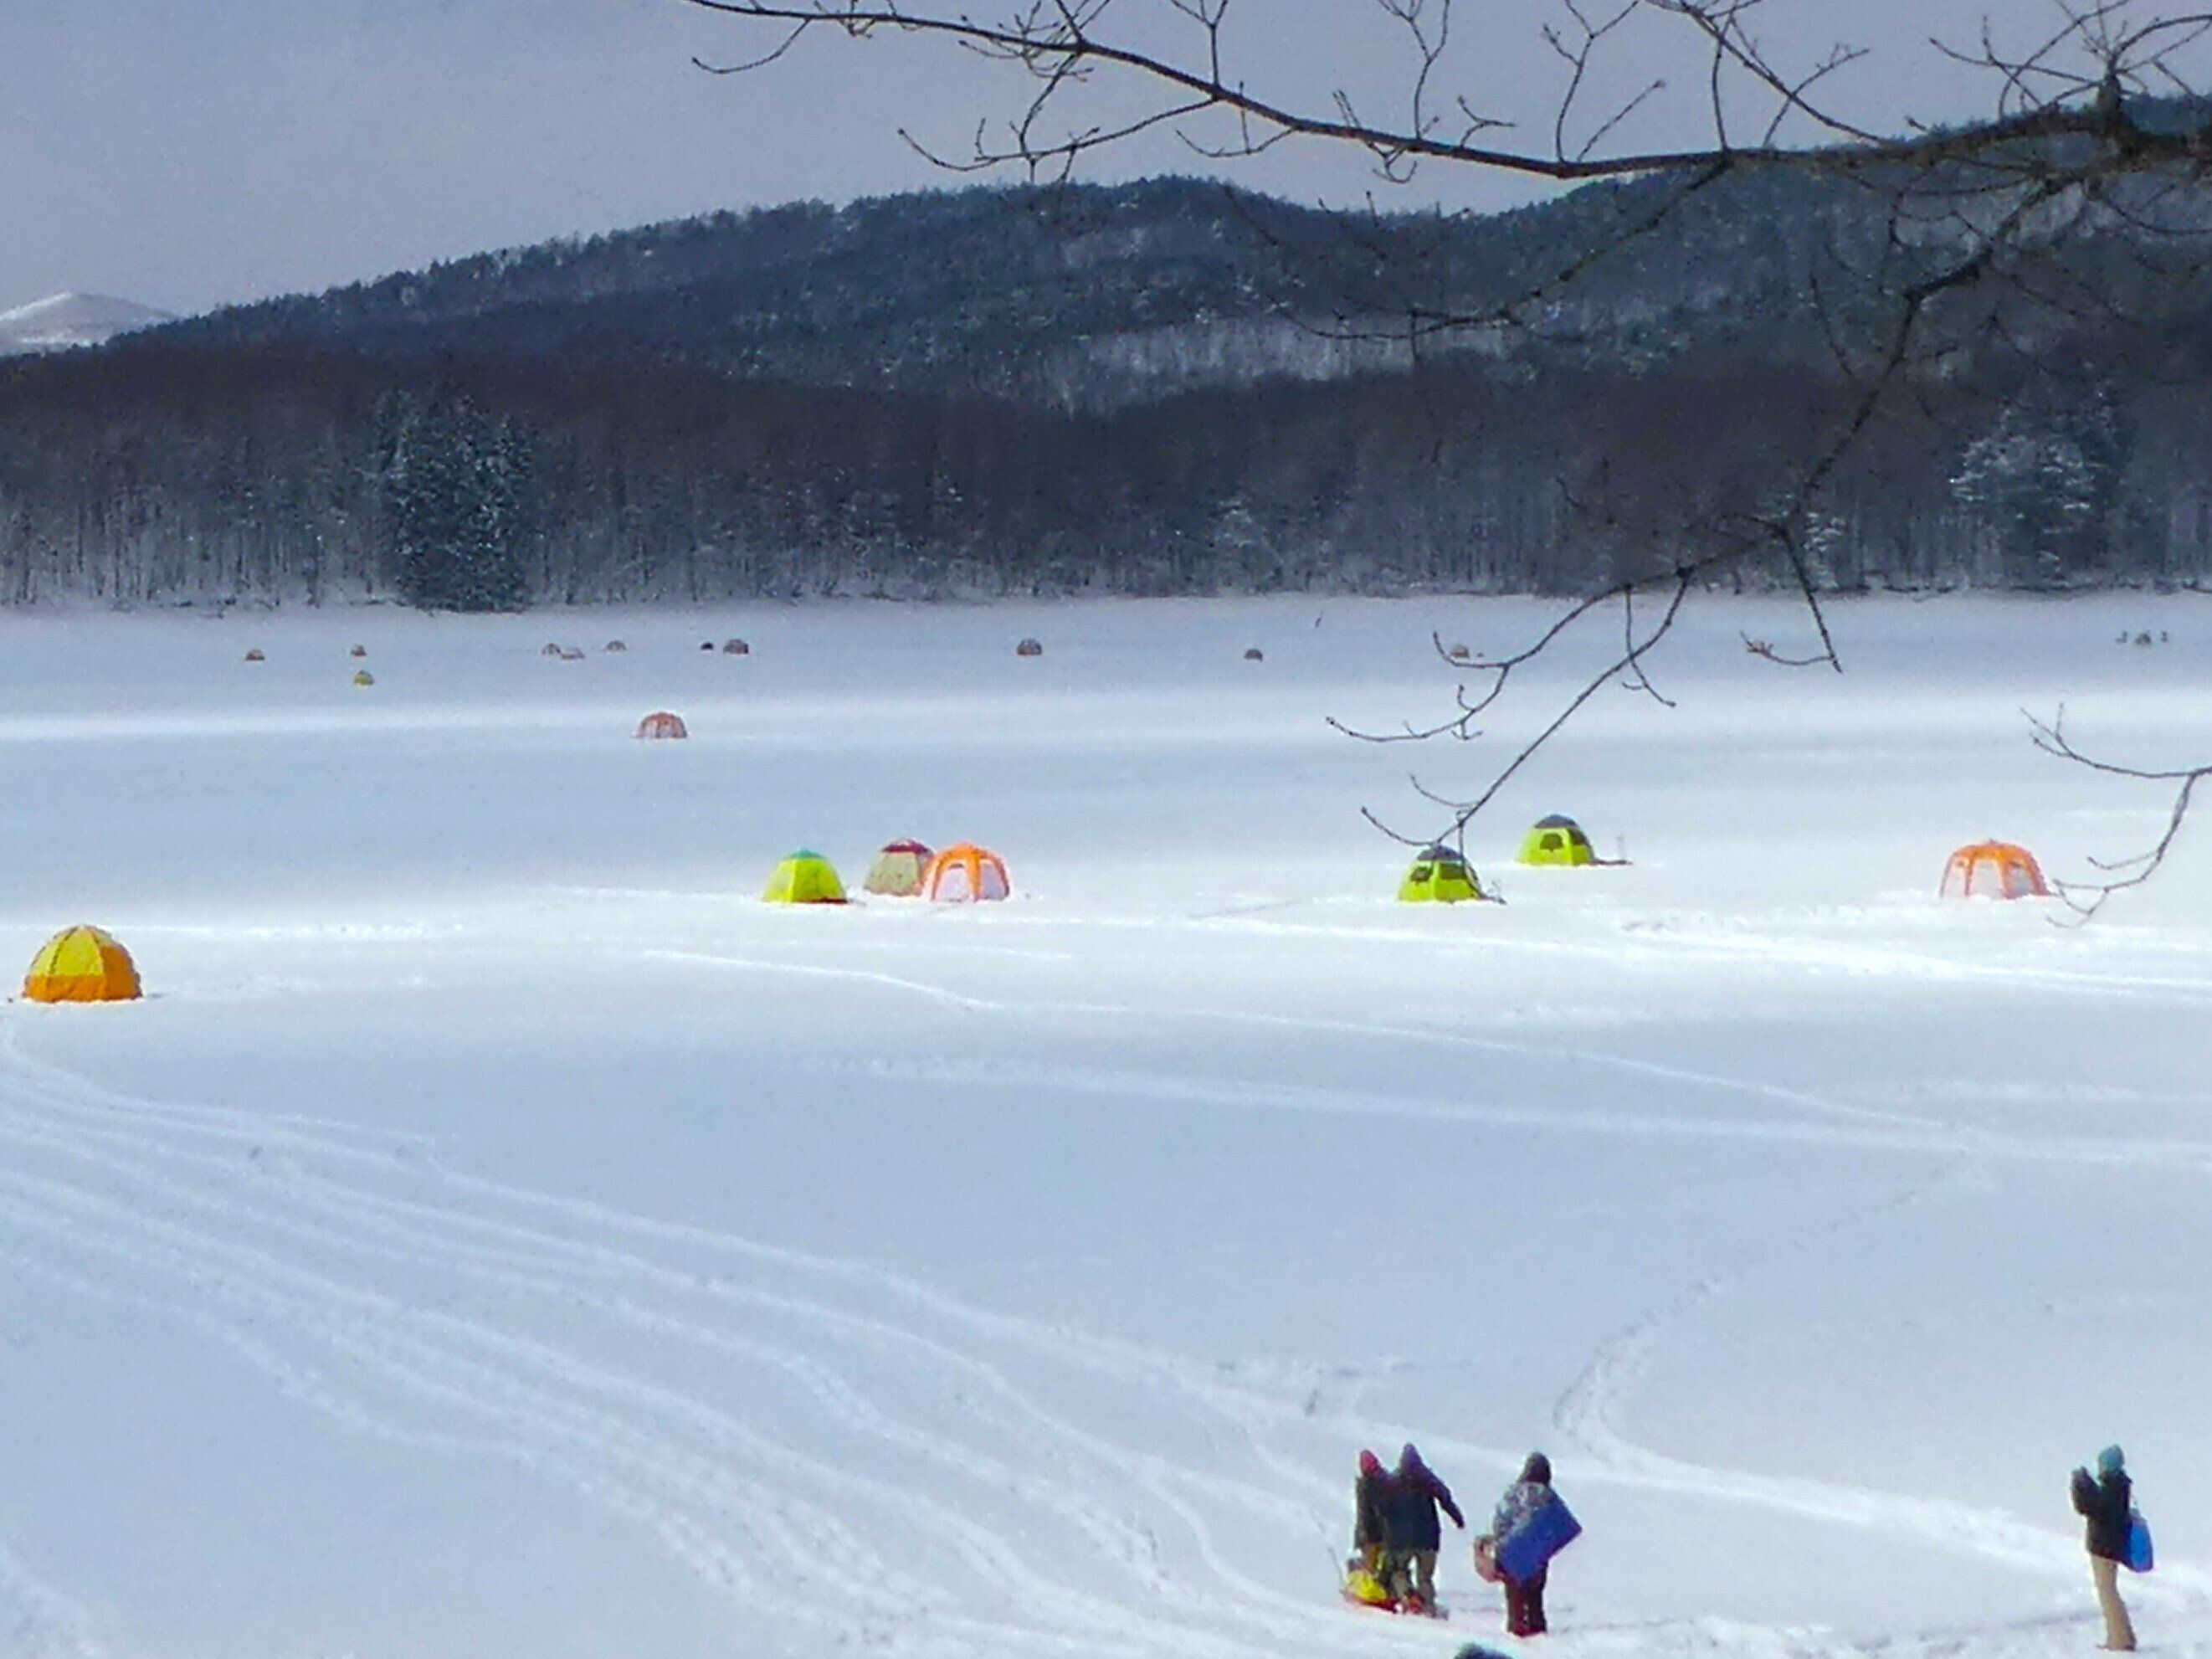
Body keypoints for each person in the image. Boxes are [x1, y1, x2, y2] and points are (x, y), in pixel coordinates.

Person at [1382, 1442, 1464, 1614]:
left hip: (1401, 1539)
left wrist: (1384, 1533)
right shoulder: (1427, 1479)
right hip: (1428, 1537)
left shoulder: (1394, 1481)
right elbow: (1445, 1497)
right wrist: (1457, 1518)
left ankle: (1408, 1597)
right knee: (1425, 1577)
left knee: (1399, 1570)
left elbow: (1384, 1509)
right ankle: (1427, 1605)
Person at [2071, 1445, 2137, 1651]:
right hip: (2109, 1546)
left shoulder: (2112, 1487)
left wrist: (2081, 1487)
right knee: (2109, 1591)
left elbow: (2091, 1508)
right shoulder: (2117, 1485)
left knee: (2107, 1592)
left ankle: (2120, 1639)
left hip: (2104, 1548)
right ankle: (2122, 1636)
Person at [1486, 1451, 1558, 1637]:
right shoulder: (1548, 1495)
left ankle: (1516, 1624)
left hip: (1513, 1549)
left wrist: (1501, 1541)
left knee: (1514, 1591)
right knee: (1535, 1592)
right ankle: (1536, 1624)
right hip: (1537, 1552)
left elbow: (1501, 1519)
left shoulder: (1513, 1493)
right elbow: (1557, 1524)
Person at [1351, 1449, 1392, 1574]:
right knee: (1387, 1565)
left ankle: (1370, 1589)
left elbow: (1363, 1513)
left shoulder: (1365, 1485)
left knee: (1371, 1565)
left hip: (1371, 1533)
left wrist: (1361, 1537)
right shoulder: (1387, 1481)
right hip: (1388, 1532)